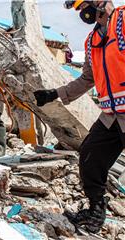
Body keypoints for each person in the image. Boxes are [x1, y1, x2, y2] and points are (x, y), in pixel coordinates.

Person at [34, 0, 125, 233]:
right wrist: (54, 94)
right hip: (111, 116)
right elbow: (87, 78)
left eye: (85, 5)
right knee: (89, 156)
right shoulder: (92, 41)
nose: (84, 13)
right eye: (80, 9)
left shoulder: (123, 21)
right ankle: (96, 211)